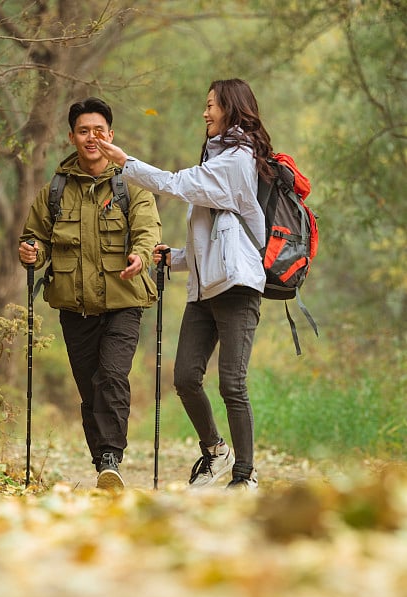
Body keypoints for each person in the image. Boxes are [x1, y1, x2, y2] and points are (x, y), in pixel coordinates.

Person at [95, 78, 273, 490]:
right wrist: (173, 257)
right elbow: (212, 239)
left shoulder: (236, 159)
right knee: (185, 378)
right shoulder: (218, 160)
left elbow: (175, 184)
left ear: (231, 107)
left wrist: (127, 162)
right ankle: (215, 451)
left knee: (232, 382)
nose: (205, 112)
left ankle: (245, 476)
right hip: (205, 289)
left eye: (211, 105)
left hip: (238, 288)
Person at [19, 97, 161, 491]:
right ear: (72, 137)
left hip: (124, 302)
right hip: (74, 306)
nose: (92, 137)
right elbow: (37, 239)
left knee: (112, 376)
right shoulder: (55, 191)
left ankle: (112, 454)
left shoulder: (131, 184)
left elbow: (148, 229)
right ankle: (103, 464)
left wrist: (141, 254)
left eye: (99, 130)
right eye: (84, 131)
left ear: (111, 135)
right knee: (89, 386)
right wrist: (31, 252)